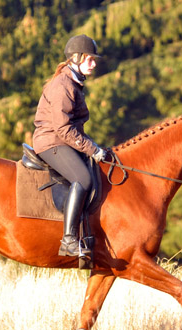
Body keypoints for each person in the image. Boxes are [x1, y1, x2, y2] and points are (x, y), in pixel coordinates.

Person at [33, 34, 107, 258]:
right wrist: (92, 149)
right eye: (89, 59)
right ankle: (68, 240)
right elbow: (63, 128)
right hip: (52, 141)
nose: (93, 64)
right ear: (75, 58)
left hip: (61, 140)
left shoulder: (73, 83)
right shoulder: (63, 85)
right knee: (82, 179)